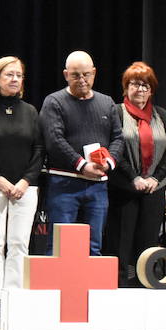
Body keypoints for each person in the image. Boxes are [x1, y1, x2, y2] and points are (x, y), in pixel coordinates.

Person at [0, 56, 45, 316]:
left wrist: (25, 181)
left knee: (19, 243)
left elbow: (39, 149)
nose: (15, 79)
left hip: (26, 187)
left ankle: (14, 295)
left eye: (19, 75)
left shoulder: (31, 111)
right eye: (9, 75)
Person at [38, 51, 122, 255]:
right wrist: (82, 166)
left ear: (94, 73)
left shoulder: (107, 102)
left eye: (86, 74)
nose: (82, 80)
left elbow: (118, 138)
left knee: (94, 246)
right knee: (59, 246)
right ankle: (55, 287)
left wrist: (108, 163)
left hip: (98, 187)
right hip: (63, 184)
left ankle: (91, 288)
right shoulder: (54, 102)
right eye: (76, 75)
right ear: (66, 75)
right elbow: (54, 140)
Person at [107, 62, 166, 287]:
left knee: (147, 244)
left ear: (152, 89)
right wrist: (134, 178)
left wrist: (156, 178)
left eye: (145, 85)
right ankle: (117, 288)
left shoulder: (161, 115)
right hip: (124, 190)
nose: (140, 90)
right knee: (121, 243)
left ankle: (143, 287)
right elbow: (115, 149)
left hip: (153, 190)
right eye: (135, 84)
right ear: (125, 87)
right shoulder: (116, 113)